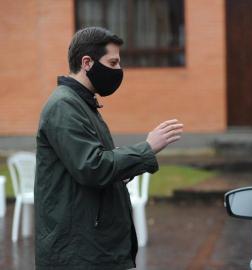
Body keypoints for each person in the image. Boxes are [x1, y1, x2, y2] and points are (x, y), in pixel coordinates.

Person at [34, 26, 183, 270]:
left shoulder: (82, 103)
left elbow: (97, 164)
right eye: (112, 63)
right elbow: (93, 167)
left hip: (92, 245)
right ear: (87, 62)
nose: (118, 71)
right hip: (78, 253)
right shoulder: (64, 106)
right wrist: (147, 148)